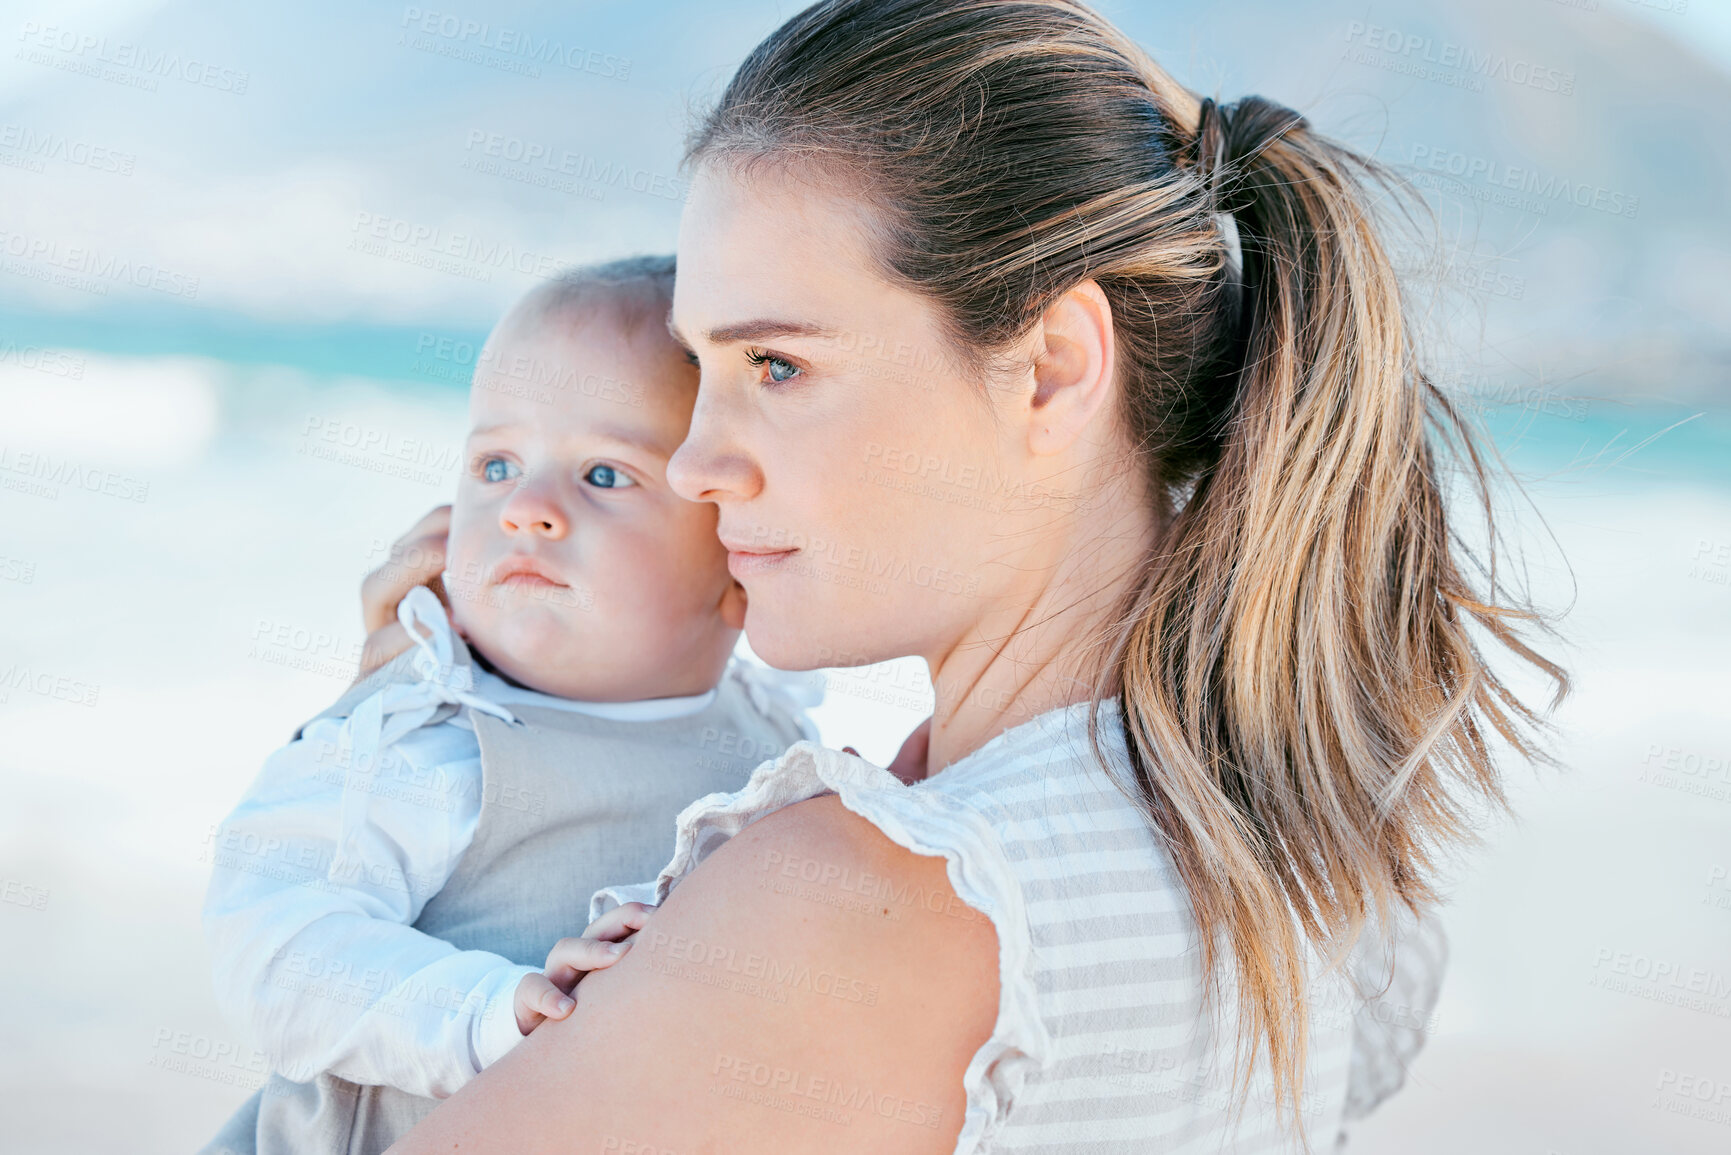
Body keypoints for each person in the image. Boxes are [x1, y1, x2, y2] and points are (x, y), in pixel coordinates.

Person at [376, 2, 1566, 1151]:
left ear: (1050, 368)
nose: (695, 463)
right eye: (702, 367)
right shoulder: (1313, 857)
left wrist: (392, 803)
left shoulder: (857, 906)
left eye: (778, 366)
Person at [197, 256, 820, 1155]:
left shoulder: (776, 743)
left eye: (605, 475)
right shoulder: (427, 739)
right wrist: (489, 1010)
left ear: (741, 558)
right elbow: (277, 952)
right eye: (496, 463)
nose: (526, 508)